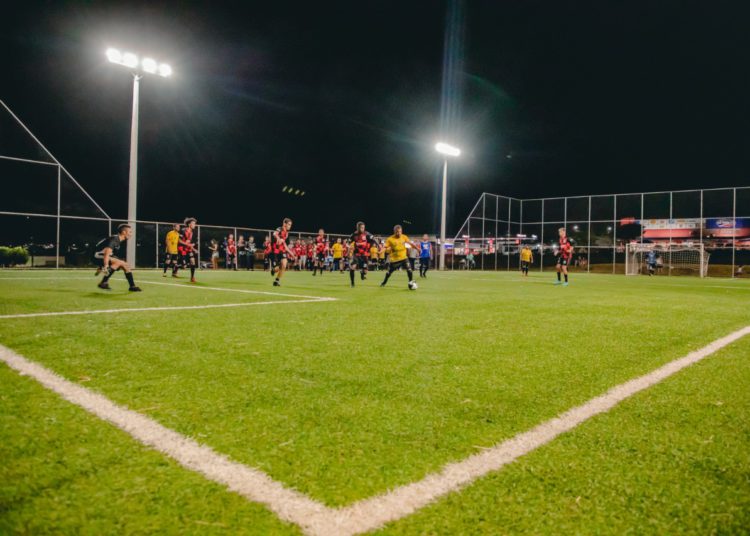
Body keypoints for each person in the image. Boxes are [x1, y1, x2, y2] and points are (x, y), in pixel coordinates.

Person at [93, 223, 142, 291]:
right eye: (130, 232)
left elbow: (110, 255)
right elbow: (107, 253)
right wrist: (106, 265)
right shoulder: (115, 239)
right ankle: (103, 282)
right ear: (124, 232)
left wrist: (100, 267)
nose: (131, 234)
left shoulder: (118, 240)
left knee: (125, 265)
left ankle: (132, 286)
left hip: (101, 255)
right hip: (96, 255)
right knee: (119, 262)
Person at [349, 221, 379, 287]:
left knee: (365, 271)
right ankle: (352, 283)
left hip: (364, 255)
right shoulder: (354, 235)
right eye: (361, 227)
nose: (363, 229)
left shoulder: (367, 234)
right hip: (356, 255)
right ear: (358, 228)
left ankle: (362, 273)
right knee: (353, 267)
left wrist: (378, 245)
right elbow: (348, 242)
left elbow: (374, 239)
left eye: (363, 227)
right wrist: (349, 247)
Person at [271, 218, 295, 286]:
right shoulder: (279, 229)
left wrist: (291, 253)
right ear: (284, 224)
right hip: (275, 251)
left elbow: (284, 245)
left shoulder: (287, 234)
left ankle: (277, 281)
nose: (290, 226)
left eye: (290, 225)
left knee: (284, 265)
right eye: (289, 224)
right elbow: (274, 233)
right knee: (276, 269)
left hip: (282, 251)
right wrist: (278, 238)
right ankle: (273, 270)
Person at [179, 217, 199, 283]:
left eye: (195, 224)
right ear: (189, 224)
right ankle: (176, 268)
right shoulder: (183, 230)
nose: (194, 225)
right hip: (182, 249)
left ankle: (192, 277)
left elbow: (189, 243)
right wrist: (187, 244)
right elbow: (179, 240)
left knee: (193, 262)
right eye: (193, 223)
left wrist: (194, 249)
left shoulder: (192, 233)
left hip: (188, 250)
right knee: (184, 266)